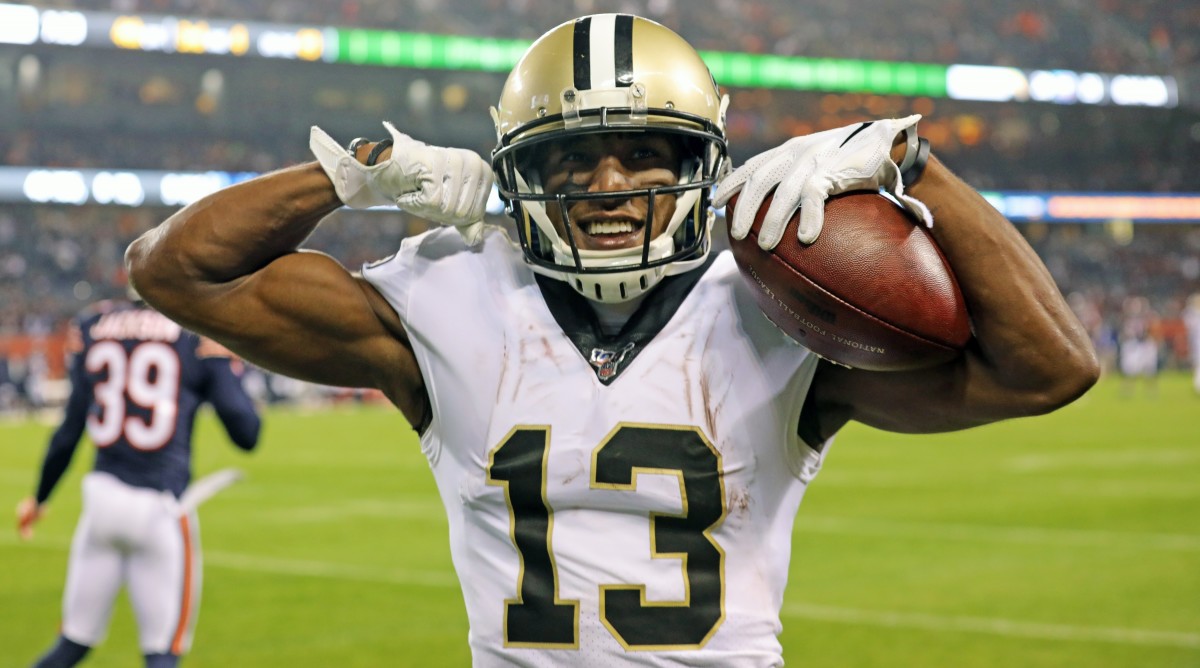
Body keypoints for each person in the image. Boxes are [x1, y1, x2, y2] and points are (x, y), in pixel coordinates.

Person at [124, 13, 1097, 666]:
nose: (611, 182)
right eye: (574, 156)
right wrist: (355, 176)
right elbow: (172, 269)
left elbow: (1054, 368)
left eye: (646, 151)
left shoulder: (777, 310)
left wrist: (910, 162)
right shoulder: (445, 297)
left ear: (701, 160)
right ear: (522, 168)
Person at [16, 294, 261, 668]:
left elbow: (68, 432)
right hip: (158, 509)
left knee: (72, 643)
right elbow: (246, 432)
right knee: (162, 652)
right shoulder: (194, 334)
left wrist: (40, 498)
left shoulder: (95, 326)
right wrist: (224, 363)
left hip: (101, 504)